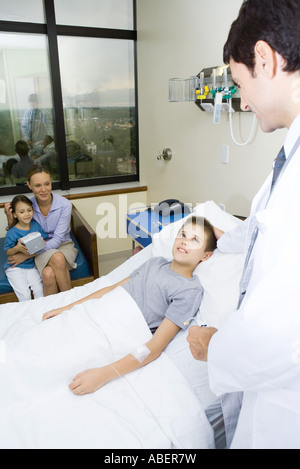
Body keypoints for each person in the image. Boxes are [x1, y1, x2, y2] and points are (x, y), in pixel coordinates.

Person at [187, 0, 300, 449]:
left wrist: (214, 347)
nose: (239, 99)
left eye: (237, 82)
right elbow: (255, 232)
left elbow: (283, 335)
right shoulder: (287, 162)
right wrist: (213, 243)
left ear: (265, 59)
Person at [42, 216, 217, 396]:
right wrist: (67, 308)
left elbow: (156, 346)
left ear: (206, 255)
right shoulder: (154, 263)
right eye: (183, 234)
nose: (184, 241)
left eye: (195, 240)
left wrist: (103, 375)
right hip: (94, 314)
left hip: (114, 331)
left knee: (50, 362)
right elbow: (111, 289)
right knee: (44, 339)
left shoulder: (189, 290)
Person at [4, 166, 78, 296]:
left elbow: (57, 240)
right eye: (37, 185)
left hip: (63, 245)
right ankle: (51, 312)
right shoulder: (28, 206)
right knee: (48, 273)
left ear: (51, 182)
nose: (43, 190)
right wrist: (9, 217)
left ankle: (69, 303)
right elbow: (17, 232)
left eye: (47, 184)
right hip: (37, 247)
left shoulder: (64, 205)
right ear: (29, 185)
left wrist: (26, 255)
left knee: (57, 258)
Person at [4, 195, 47, 302]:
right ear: (14, 214)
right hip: (15, 268)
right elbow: (8, 251)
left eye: (29, 210)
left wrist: (38, 245)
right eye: (22, 212)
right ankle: (27, 316)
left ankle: (40, 313)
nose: (27, 214)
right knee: (24, 295)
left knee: (39, 291)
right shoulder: (12, 232)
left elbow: (44, 241)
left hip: (31, 266)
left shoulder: (35, 226)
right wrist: (17, 248)